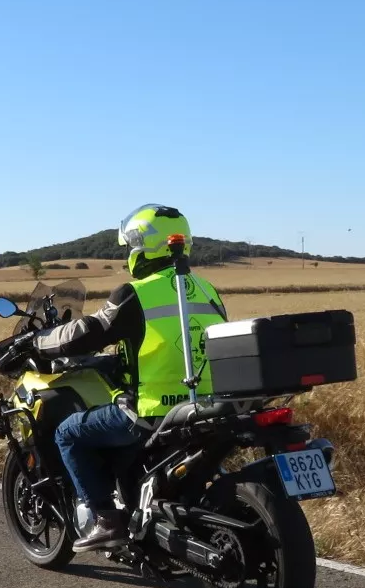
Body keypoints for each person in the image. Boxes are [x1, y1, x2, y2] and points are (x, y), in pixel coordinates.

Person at [15, 204, 227, 551]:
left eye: (133, 244)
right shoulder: (207, 290)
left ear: (143, 245)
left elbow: (86, 333)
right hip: (206, 406)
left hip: (153, 410)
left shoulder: (135, 293)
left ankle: (105, 519)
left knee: (68, 433)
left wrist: (38, 341)